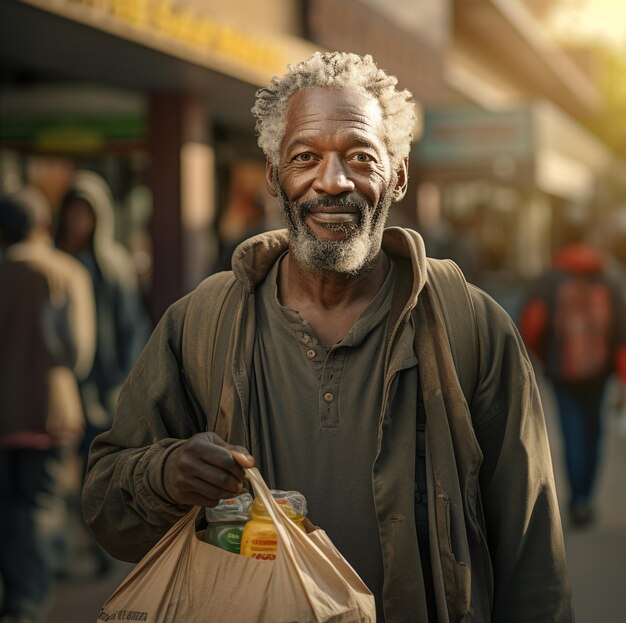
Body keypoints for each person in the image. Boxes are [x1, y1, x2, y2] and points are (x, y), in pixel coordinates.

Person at [82, 52, 573, 621]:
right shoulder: (201, 322)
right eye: (306, 157)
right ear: (273, 173)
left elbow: (533, 556)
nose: (333, 181)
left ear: (398, 172)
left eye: (360, 157)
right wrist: (164, 475)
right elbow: (104, 506)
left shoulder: (473, 327)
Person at [0, 190, 96, 622]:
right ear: (42, 225)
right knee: (38, 507)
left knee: (8, 509)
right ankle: (30, 603)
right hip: (51, 409)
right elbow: (79, 354)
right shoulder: (65, 271)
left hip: (4, 413)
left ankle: (15, 596)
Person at [54, 170, 151, 577]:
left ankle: (101, 552)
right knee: (58, 478)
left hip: (105, 387)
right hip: (63, 387)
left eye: (86, 214)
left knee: (97, 476)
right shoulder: (56, 262)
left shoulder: (113, 265)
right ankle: (58, 551)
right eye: (73, 213)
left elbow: (132, 328)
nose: (79, 222)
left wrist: (125, 385)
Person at [519, 218, 626, 528]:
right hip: (600, 371)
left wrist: (541, 359)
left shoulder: (550, 278)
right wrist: (621, 379)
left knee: (572, 434)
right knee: (594, 434)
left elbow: (531, 324)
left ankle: (576, 498)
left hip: (561, 370)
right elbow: (621, 332)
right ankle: (586, 499)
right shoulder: (610, 277)